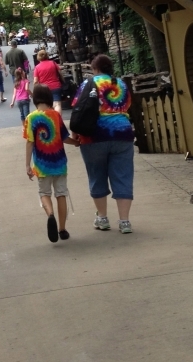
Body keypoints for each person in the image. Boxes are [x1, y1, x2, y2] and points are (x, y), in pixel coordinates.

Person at [71, 55, 135, 234]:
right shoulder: (121, 84)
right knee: (123, 176)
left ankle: (102, 218)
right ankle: (125, 222)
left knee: (96, 175)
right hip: (122, 135)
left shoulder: (88, 84)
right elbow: (127, 105)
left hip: (93, 136)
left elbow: (79, 107)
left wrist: (76, 134)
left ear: (95, 69)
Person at [25, 84, 78, 243]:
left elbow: (29, 143)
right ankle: (62, 229)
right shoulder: (56, 116)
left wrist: (28, 165)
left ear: (35, 99)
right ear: (49, 98)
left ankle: (50, 215)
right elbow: (64, 138)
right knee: (61, 194)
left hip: (42, 165)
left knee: (44, 193)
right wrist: (76, 143)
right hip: (60, 163)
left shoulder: (31, 118)